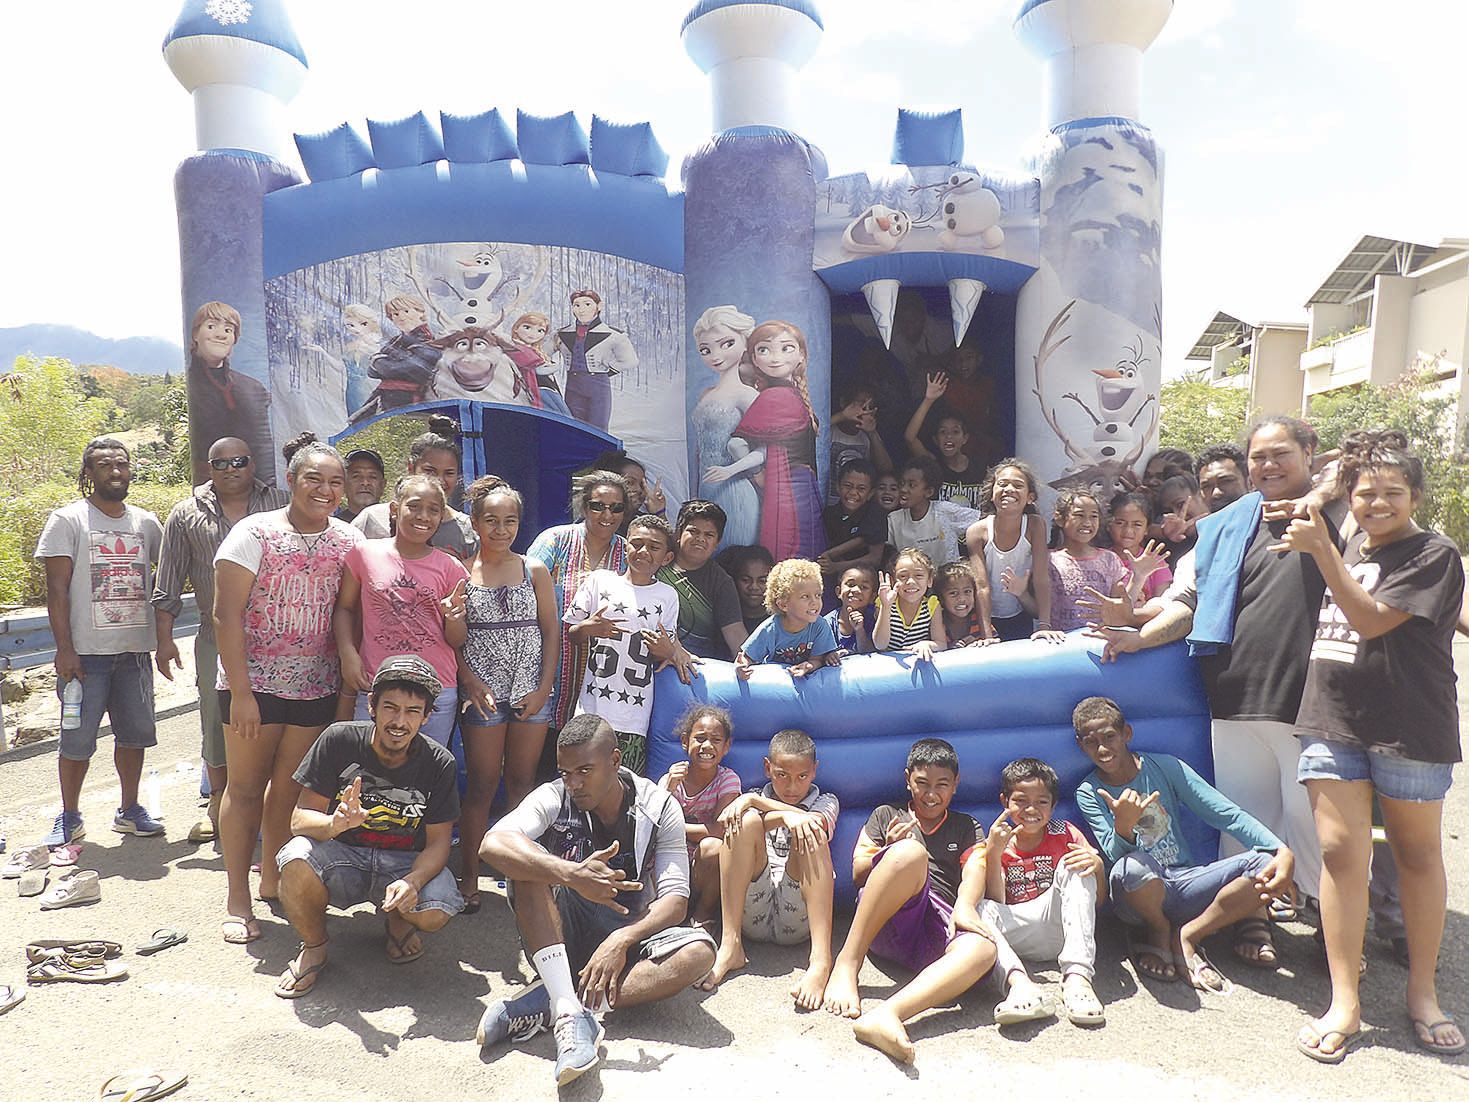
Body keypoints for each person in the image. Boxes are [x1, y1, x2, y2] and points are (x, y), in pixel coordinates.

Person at [1088, 416, 1340, 940]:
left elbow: (1361, 466)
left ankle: (1329, 931)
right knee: (1246, 822)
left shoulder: (1335, 511)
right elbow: (1190, 605)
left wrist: (1324, 491)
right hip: (1232, 697)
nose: (1268, 465)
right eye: (1260, 456)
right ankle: (1252, 920)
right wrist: (1138, 636)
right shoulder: (1225, 529)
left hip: (1307, 702)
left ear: (1311, 452)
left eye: (1281, 453)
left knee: (1317, 828)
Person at [1274, 430, 1464, 1061]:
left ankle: (1421, 994)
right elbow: (1314, 500)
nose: (1377, 504)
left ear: (1415, 496)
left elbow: (1372, 619)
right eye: (1366, 493)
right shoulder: (1348, 532)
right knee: (1338, 853)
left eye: (1393, 492)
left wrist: (1326, 550)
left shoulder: (1433, 553)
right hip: (1332, 716)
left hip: (1410, 724)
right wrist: (1331, 487)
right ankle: (1344, 1000)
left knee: (1415, 856)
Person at [476, 716, 715, 1086]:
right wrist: (570, 874)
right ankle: (570, 1012)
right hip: (560, 930)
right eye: (566, 772)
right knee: (526, 863)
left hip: (629, 931)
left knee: (700, 953)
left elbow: (675, 900)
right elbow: (492, 843)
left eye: (584, 770)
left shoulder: (658, 805)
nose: (574, 783)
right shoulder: (555, 795)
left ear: (616, 761)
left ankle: (560, 1002)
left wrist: (620, 941)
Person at [213, 440, 363, 944]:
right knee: (246, 789)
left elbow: (349, 611)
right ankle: (237, 896)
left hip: (315, 687)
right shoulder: (253, 533)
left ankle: (271, 878)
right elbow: (224, 615)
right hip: (253, 686)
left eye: (335, 482)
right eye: (313, 480)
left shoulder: (347, 541)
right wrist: (241, 693)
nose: (325, 490)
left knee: (290, 791)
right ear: (292, 480)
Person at [1072, 696, 1294, 994]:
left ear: (1126, 734)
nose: (1102, 749)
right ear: (1080, 745)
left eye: (1109, 737)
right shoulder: (1089, 790)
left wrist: (1280, 849)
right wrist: (1123, 825)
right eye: (1091, 742)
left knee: (1266, 863)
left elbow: (1225, 813)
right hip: (1138, 897)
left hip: (1184, 880)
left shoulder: (1164, 767)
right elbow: (1115, 856)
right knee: (1133, 867)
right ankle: (1158, 930)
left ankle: (1189, 934)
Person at [273, 656, 463, 998]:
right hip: (343, 855)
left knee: (437, 910)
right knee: (295, 857)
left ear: (427, 716)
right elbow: (299, 819)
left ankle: (397, 919)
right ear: (372, 706)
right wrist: (334, 823)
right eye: (390, 707)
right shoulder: (339, 739)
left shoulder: (439, 763)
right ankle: (314, 945)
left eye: (412, 711)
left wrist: (412, 882)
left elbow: (438, 844)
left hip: (402, 864)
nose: (399, 721)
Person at [823, 738, 998, 1066]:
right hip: (890, 921)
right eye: (922, 783)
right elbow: (858, 873)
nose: (931, 794)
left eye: (942, 785)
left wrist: (964, 906)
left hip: (937, 927)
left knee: (984, 950)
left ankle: (888, 1014)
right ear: (907, 779)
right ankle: (847, 964)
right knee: (909, 853)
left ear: (956, 785)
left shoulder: (965, 825)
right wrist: (887, 850)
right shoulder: (887, 814)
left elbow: (976, 869)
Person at [35, 438, 165, 859]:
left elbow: (168, 579)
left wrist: (162, 641)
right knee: (76, 741)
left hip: (133, 654)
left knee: (134, 738)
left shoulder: (147, 523)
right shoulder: (68, 520)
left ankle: (129, 809)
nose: (114, 471)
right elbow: (56, 590)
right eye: (104, 465)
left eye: (121, 464)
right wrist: (64, 649)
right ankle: (69, 814)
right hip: (84, 659)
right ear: (88, 473)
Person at [152, 437, 286, 845]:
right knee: (217, 720)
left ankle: (270, 806)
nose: (231, 469)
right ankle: (217, 804)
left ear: (252, 464)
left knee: (276, 717)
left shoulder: (280, 503)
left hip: (279, 636)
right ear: (209, 468)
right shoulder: (185, 514)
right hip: (215, 637)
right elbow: (168, 582)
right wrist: (164, 640)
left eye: (239, 461)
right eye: (221, 463)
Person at [458, 477, 559, 912]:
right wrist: (468, 681)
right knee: (482, 785)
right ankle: (468, 876)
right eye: (492, 521)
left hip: (529, 691)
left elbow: (552, 631)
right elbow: (453, 640)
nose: (501, 529)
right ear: (476, 523)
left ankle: (520, 873)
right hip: (483, 692)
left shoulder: (533, 569)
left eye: (510, 521)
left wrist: (542, 688)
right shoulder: (461, 571)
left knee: (522, 782)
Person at [699, 729, 839, 1011]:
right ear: (767, 768)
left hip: (798, 911)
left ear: (814, 772)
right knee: (745, 821)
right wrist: (769, 810)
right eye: (782, 775)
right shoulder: (749, 798)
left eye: (802, 776)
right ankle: (731, 945)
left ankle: (820, 962)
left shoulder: (827, 801)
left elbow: (818, 822)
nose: (791, 786)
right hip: (753, 904)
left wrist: (759, 804)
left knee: (810, 829)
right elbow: (736, 825)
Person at [334, 474, 468, 746]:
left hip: (436, 690)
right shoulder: (363, 554)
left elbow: (458, 640)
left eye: (433, 510)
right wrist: (348, 654)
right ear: (395, 509)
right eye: (414, 506)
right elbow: (344, 609)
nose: (423, 516)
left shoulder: (451, 567)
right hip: (377, 685)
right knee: (369, 771)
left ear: (441, 516)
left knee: (425, 773)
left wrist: (453, 620)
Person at [564, 513, 696, 774]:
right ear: (625, 547)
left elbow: (666, 649)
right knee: (583, 777)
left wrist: (666, 652)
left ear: (667, 557)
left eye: (654, 547)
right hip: (592, 706)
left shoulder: (667, 595)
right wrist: (588, 628)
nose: (643, 551)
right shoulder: (599, 581)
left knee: (624, 784)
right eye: (636, 543)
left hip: (634, 714)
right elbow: (572, 633)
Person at [980, 758, 1105, 1028]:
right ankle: (1018, 986)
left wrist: (1098, 869)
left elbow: (1099, 900)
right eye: (1021, 801)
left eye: (1041, 802)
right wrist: (994, 853)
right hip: (1018, 934)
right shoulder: (997, 839)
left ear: (1053, 805)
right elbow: (997, 902)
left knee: (1077, 864)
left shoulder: (1066, 833)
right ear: (1005, 801)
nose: (1031, 810)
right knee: (979, 909)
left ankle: (1077, 979)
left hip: (1061, 926)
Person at [528, 470, 630, 732]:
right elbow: (525, 589)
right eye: (598, 507)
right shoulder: (555, 540)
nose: (607, 515)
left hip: (601, 678)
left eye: (616, 508)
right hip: (544, 668)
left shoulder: (628, 553)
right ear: (584, 507)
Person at [711, 320, 821, 559]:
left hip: (793, 490)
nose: (774, 357)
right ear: (755, 358)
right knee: (797, 554)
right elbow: (736, 443)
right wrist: (759, 475)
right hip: (792, 491)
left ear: (801, 355)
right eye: (764, 350)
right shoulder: (776, 396)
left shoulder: (783, 394)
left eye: (786, 348)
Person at [657, 704, 741, 924]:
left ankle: (702, 916)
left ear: (726, 746)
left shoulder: (728, 779)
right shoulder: (672, 778)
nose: (707, 746)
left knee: (712, 847)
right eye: (700, 738)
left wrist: (676, 827)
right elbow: (654, 824)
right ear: (685, 741)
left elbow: (719, 829)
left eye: (715, 740)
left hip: (704, 871)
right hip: (671, 863)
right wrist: (668, 789)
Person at [691, 305, 761, 546]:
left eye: (726, 344)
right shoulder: (705, 394)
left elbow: (765, 450)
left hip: (735, 488)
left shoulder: (747, 395)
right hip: (706, 488)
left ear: (744, 342)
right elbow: (699, 450)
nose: (716, 355)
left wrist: (732, 470)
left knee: (734, 555)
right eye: (705, 349)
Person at [352, 428, 477, 561]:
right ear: (411, 467)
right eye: (430, 471)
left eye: (449, 473)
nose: (439, 480)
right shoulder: (372, 519)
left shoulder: (467, 531)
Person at [186, 301, 275, 487]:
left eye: (228, 330)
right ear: (195, 334)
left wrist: (266, 493)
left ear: (234, 338)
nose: (220, 334)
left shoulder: (253, 388)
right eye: (211, 327)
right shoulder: (187, 387)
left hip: (253, 493)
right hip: (207, 493)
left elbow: (264, 449)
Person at [965, 459, 1054, 642]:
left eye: (1018, 485)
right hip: (987, 618)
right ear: (992, 494)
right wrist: (986, 635)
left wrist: (1044, 625)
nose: (1009, 489)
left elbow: (1041, 578)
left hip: (1022, 611)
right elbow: (981, 586)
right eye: (1002, 484)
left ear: (1030, 497)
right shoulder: (977, 532)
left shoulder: (1035, 525)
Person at [656, 500, 747, 661]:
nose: (700, 539)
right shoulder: (657, 560)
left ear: (717, 543)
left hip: (693, 670)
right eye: (693, 531)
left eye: (709, 535)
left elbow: (735, 633)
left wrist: (749, 666)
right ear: (678, 533)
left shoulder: (721, 582)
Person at [735, 558, 840, 680]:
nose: (814, 602)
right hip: (776, 684)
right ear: (783, 605)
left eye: (818, 595)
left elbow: (817, 659)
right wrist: (741, 666)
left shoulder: (820, 625)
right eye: (805, 596)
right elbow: (748, 657)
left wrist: (809, 666)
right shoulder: (771, 628)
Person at [555, 289, 637, 432]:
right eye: (576, 305)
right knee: (573, 425)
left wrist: (607, 370)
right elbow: (542, 352)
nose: (581, 310)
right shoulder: (562, 333)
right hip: (573, 385)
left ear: (599, 306)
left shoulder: (614, 334)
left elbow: (631, 360)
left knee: (598, 426)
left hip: (598, 386)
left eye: (587, 304)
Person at [1047, 488, 1125, 634]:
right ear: (1059, 518)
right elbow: (1038, 607)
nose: (1087, 522)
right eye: (1079, 515)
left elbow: (1120, 604)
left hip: (1101, 639)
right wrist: (1020, 594)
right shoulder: (1048, 559)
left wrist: (1139, 577)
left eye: (1093, 516)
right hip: (1061, 642)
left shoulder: (1109, 559)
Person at [903, 372, 985, 509]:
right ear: (935, 440)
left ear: (965, 438)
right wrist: (928, 400)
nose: (949, 437)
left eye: (955, 432)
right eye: (943, 432)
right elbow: (909, 438)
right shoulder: (933, 465)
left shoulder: (980, 467)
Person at [353, 295, 440, 418]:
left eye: (406, 311)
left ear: (420, 313)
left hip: (409, 399)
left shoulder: (427, 339)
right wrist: (383, 362)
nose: (401, 317)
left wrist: (378, 359)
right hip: (386, 396)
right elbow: (372, 372)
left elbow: (404, 369)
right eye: (395, 314)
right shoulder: (395, 341)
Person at [887, 457, 974, 567]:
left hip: (946, 580)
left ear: (929, 492)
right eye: (902, 483)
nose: (904, 489)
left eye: (911, 485)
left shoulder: (944, 511)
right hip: (912, 581)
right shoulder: (894, 519)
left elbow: (983, 520)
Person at [817, 458, 886, 582]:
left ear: (871, 493)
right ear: (837, 486)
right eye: (848, 486)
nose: (853, 492)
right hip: (836, 581)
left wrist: (836, 565)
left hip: (866, 581)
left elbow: (874, 558)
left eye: (861, 489)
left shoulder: (876, 512)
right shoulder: (829, 514)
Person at [827, 380, 894, 504]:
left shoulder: (867, 437)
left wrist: (872, 433)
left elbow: (886, 468)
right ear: (843, 403)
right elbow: (813, 432)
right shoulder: (830, 431)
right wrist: (842, 416)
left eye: (869, 407)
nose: (864, 411)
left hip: (856, 505)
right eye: (860, 405)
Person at [873, 548, 946, 660]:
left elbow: (941, 644)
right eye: (903, 576)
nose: (910, 582)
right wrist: (886, 607)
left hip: (916, 661)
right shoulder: (884, 602)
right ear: (893, 581)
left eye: (919, 575)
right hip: (887, 664)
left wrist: (926, 644)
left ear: (930, 580)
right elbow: (880, 645)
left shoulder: (932, 605)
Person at [1106, 491, 1172, 602]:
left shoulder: (1155, 563)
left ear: (1146, 529)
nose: (1128, 530)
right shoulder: (1101, 561)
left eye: (1137, 524)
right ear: (1108, 525)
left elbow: (1162, 604)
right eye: (1120, 523)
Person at [718, 544, 775, 635]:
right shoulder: (724, 619)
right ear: (734, 580)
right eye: (745, 580)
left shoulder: (780, 621)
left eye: (762, 581)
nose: (754, 587)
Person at [936, 561, 993, 647]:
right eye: (953, 593)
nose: (962, 599)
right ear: (941, 598)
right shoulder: (937, 623)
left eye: (967, 591)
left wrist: (984, 644)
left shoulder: (979, 619)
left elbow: (996, 644)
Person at [825, 563, 877, 656]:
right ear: (839, 592)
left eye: (864, 587)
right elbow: (819, 656)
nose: (856, 590)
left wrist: (860, 630)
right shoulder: (826, 624)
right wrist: (829, 657)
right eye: (850, 584)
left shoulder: (875, 619)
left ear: (872, 597)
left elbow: (871, 653)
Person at [1156, 473, 1206, 559]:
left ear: (1200, 495)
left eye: (1180, 504)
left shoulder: (1225, 525)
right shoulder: (1172, 548)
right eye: (1169, 511)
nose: (1177, 515)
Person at [1195, 443, 1250, 514]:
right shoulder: (1203, 525)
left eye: (1225, 482)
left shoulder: (1265, 521)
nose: (1216, 493)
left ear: (1249, 482)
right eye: (1207, 486)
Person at [334, 447, 385, 522]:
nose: (365, 483)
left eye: (372, 477)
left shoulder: (398, 525)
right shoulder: (330, 528)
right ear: (344, 484)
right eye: (356, 476)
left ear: (383, 484)